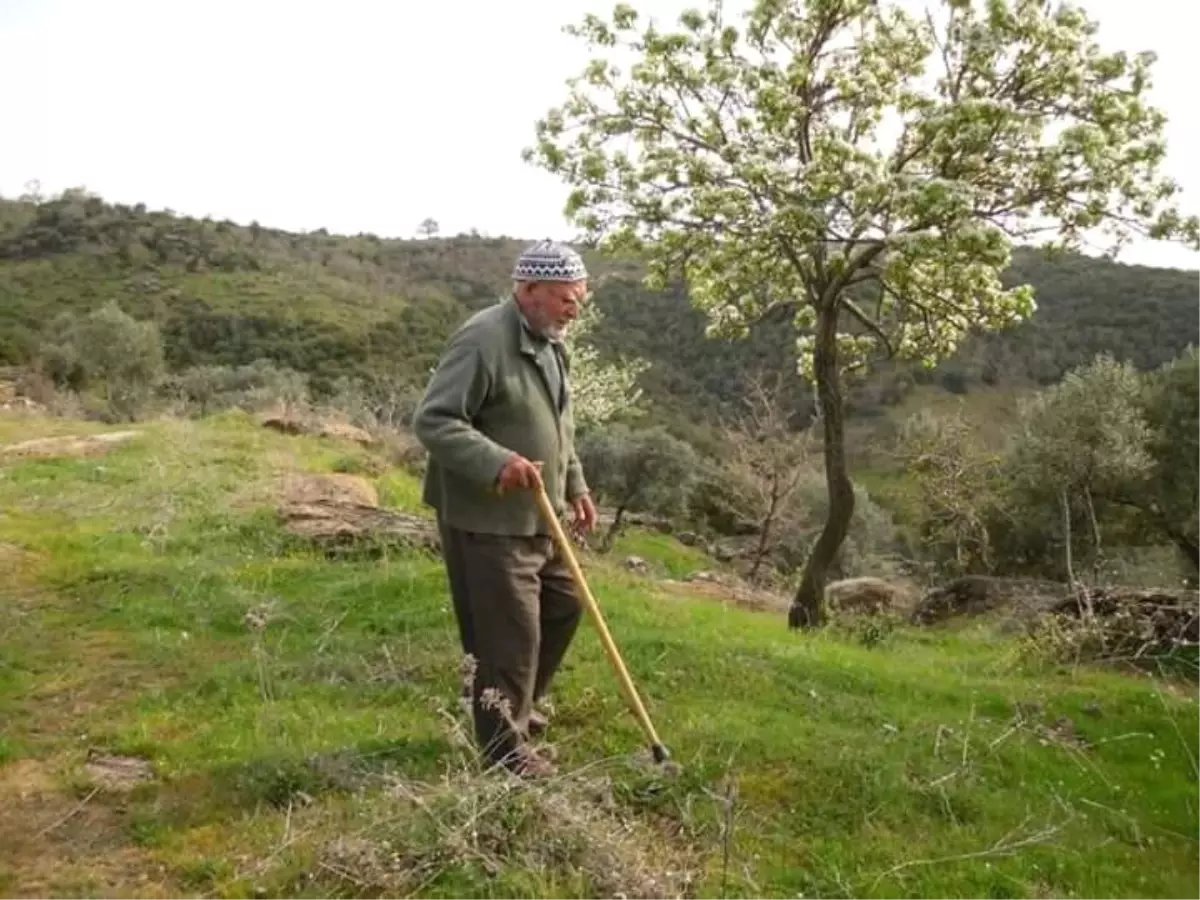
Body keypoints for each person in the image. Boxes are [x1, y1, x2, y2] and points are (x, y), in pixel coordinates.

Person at [412, 239, 599, 778]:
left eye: (579, 299)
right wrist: (497, 462)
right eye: (566, 298)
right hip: (488, 520)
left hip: (540, 515)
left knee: (564, 606)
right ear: (530, 290)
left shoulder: (549, 341)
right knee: (509, 636)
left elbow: (558, 426)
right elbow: (436, 421)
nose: (574, 309)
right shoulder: (483, 339)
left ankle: (512, 710)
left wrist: (576, 486)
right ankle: (504, 755)